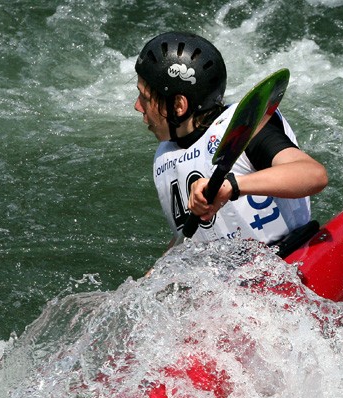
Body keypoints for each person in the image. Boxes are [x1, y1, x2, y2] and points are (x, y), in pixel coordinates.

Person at [134, 31, 328, 249]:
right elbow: (194, 237)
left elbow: (314, 174)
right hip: (227, 277)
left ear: (179, 106)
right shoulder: (166, 155)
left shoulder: (242, 129)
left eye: (145, 98)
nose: (137, 106)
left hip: (289, 256)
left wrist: (232, 186)